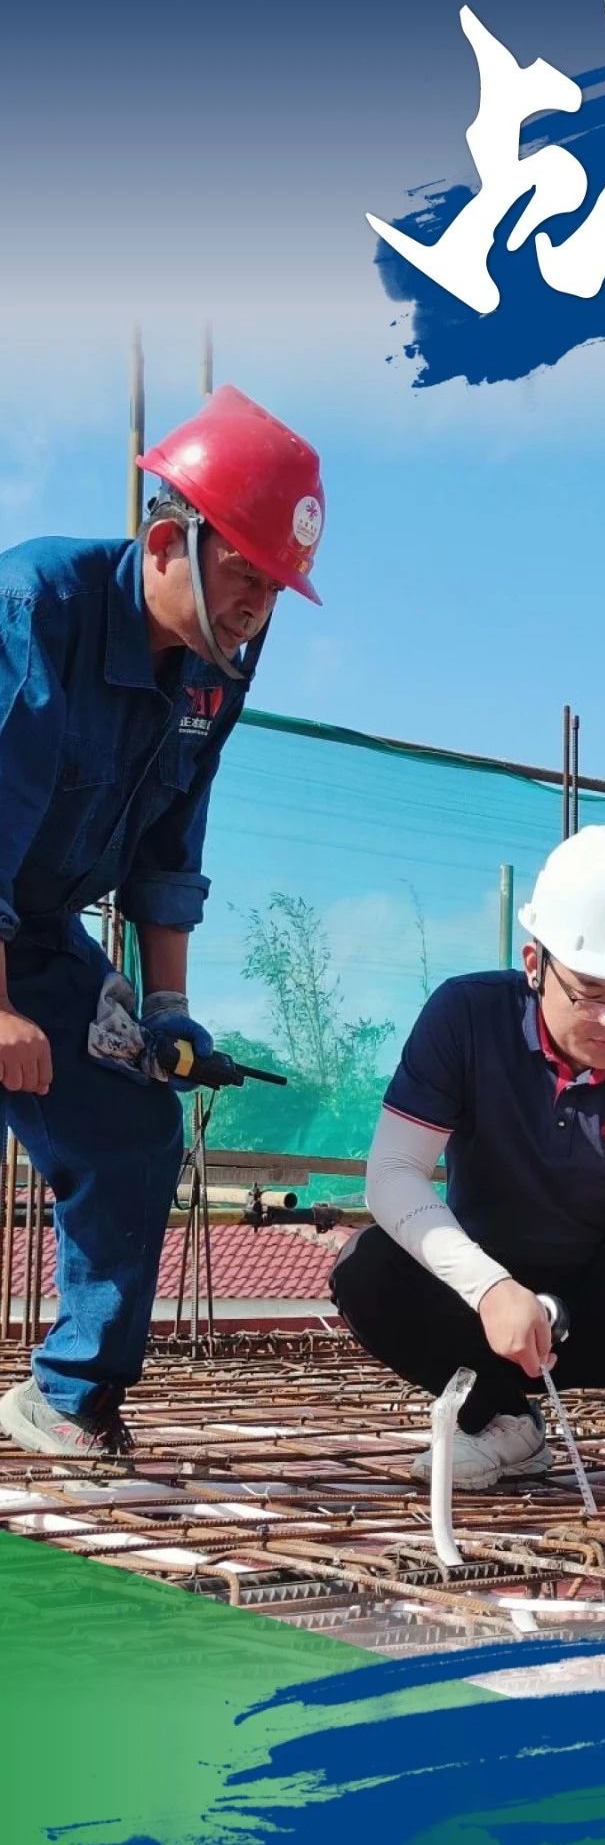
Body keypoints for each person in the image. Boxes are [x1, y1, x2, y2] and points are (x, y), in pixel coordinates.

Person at [0, 386, 325, 1459]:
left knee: (132, 1121)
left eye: (275, 588)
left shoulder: (214, 669)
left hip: (32, 928)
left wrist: (167, 1010)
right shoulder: (36, 605)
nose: (256, 607)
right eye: (244, 572)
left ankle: (69, 1401)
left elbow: (167, 848)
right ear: (164, 543)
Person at [330, 825, 605, 1514]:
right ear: (535, 963)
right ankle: (502, 1419)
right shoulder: (467, 1017)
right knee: (366, 1267)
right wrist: (490, 1287)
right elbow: (393, 1171)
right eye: (590, 992)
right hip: (491, 1315)